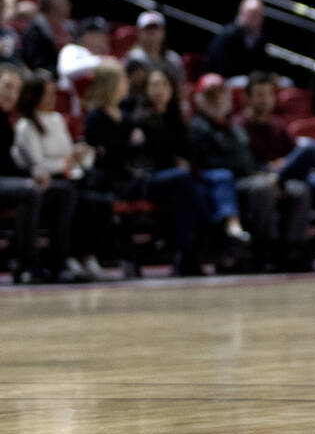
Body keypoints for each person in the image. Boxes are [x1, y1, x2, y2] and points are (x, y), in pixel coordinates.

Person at [83, 61, 203, 276]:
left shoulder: (126, 115)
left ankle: (185, 252)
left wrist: (122, 147)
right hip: (117, 183)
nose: (126, 84)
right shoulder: (96, 117)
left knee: (182, 190)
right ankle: (188, 250)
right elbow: (108, 156)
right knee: (182, 181)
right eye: (121, 80)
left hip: (137, 177)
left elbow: (127, 149)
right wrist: (128, 146)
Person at [237, 70, 315, 271]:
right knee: (310, 149)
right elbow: (243, 163)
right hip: (261, 177)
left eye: (269, 94)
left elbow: (292, 156)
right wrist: (271, 168)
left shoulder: (276, 125)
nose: (265, 100)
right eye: (260, 95)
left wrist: (281, 165)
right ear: (247, 97)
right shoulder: (239, 126)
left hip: (284, 175)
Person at [189, 72, 310, 272]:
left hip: (250, 177)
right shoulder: (199, 127)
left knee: (299, 189)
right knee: (264, 188)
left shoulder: (232, 128)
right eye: (211, 96)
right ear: (201, 101)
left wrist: (265, 174)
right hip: (225, 184)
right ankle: (266, 248)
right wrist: (260, 176)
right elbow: (212, 163)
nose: (218, 100)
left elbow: (250, 160)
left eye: (221, 95)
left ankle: (293, 247)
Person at [13, 70, 107, 281]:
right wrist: (68, 161)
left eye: (53, 93)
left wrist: (80, 155)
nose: (52, 98)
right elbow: (38, 163)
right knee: (68, 193)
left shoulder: (56, 119)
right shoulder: (25, 125)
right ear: (34, 95)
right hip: (43, 182)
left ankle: (83, 256)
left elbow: (68, 153)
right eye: (46, 93)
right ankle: (59, 260)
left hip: (66, 177)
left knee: (94, 192)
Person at [0, 63, 76, 283]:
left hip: (11, 180)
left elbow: (10, 164)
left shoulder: (9, 121)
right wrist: (31, 174)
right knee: (30, 191)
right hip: (9, 183)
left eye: (16, 89)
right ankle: (27, 265)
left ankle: (57, 263)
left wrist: (32, 172)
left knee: (65, 191)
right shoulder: (19, 124)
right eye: (6, 86)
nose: (11, 93)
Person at [204, 0, 271, 82]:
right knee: (244, 82)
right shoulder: (228, 34)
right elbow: (221, 64)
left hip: (247, 77)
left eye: (260, 14)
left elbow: (262, 63)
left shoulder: (260, 37)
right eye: (253, 13)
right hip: (223, 78)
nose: (258, 17)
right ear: (242, 12)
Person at [124, 10, 186, 88]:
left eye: (155, 29)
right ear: (139, 33)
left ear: (163, 32)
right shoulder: (133, 58)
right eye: (147, 30)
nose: (152, 34)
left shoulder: (174, 60)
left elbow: (181, 90)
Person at [21, 0, 72, 75]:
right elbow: (37, 65)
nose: (69, 4)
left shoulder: (69, 28)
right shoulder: (33, 33)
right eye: (65, 0)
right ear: (53, 5)